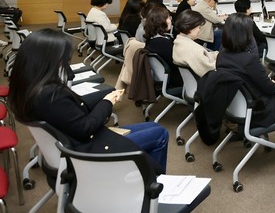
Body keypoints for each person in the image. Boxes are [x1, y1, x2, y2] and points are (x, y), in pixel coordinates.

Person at [9, 29, 169, 172]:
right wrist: (107, 102)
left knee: (154, 126)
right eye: (63, 60)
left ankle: (140, 176)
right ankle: (151, 186)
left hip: (73, 143)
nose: (65, 65)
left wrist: (106, 98)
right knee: (160, 134)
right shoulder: (50, 95)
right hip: (87, 151)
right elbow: (86, 128)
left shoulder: (29, 87)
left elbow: (69, 113)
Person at [216, 13, 275, 128]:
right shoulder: (249, 60)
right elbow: (270, 90)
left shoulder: (221, 56)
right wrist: (272, 84)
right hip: (259, 110)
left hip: (235, 108)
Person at [143, 4, 183, 89]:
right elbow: (177, 61)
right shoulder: (163, 42)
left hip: (163, 77)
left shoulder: (150, 39)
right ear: (160, 21)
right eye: (168, 18)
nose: (170, 20)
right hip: (175, 79)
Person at [173, 10, 217, 77]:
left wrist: (217, 55)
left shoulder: (179, 42)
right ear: (190, 27)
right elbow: (209, 69)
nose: (200, 30)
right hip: (206, 81)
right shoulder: (192, 49)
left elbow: (201, 58)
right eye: (199, 27)